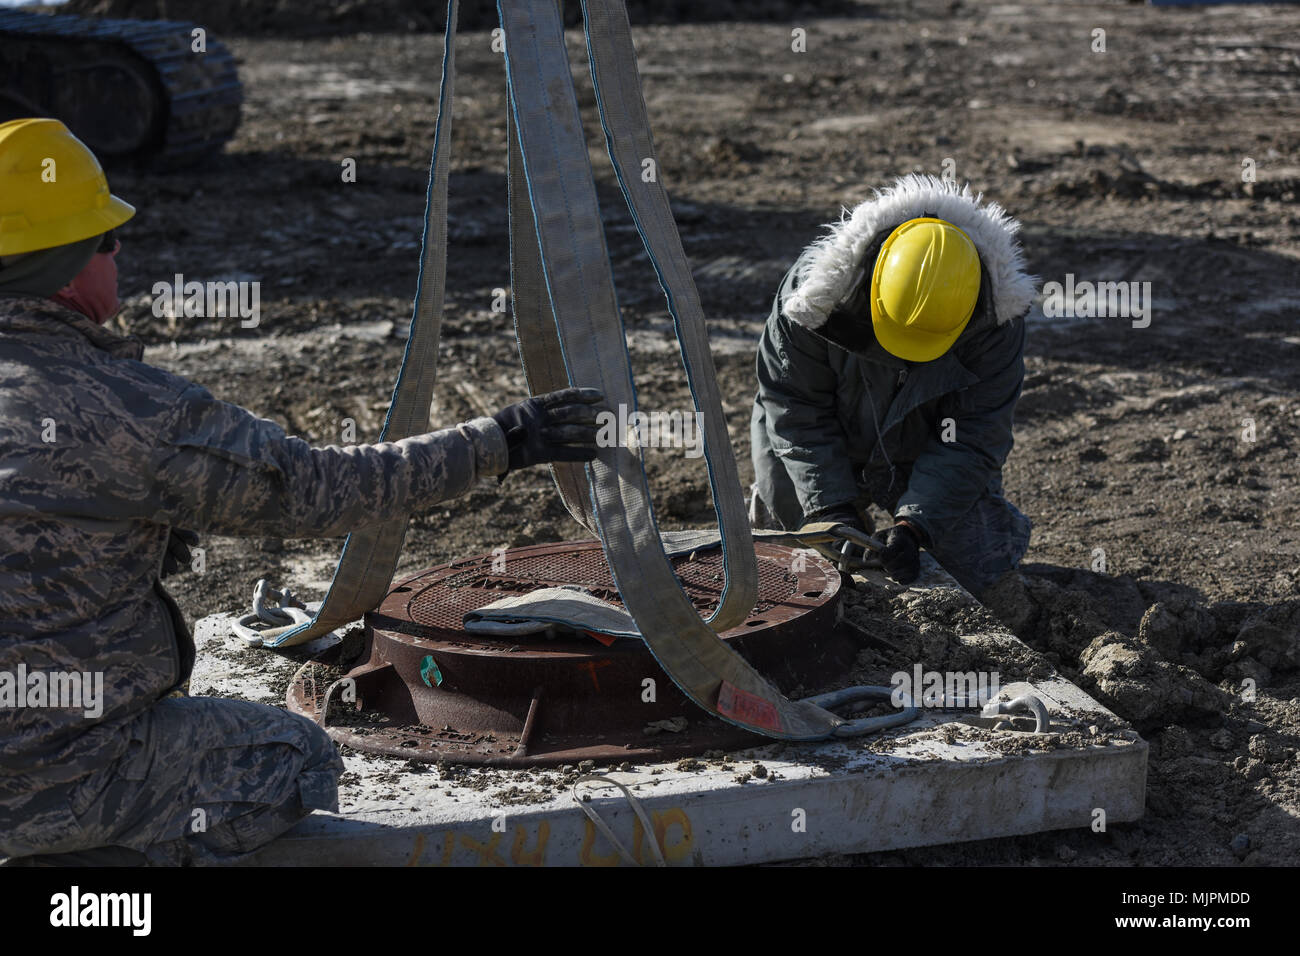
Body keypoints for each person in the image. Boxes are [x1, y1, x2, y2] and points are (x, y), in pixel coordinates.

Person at [0, 118, 603, 865]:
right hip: (48, 774)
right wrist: (504, 440)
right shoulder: (130, 409)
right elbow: (315, 488)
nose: (119, 253)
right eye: (105, 240)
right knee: (293, 756)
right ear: (64, 271)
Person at [750, 174, 1037, 598]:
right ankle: (791, 512)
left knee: (976, 567)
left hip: (921, 447)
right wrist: (830, 509)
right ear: (873, 292)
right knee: (787, 565)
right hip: (827, 436)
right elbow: (794, 409)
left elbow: (974, 437)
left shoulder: (995, 323)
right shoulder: (813, 304)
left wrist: (916, 525)